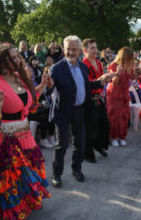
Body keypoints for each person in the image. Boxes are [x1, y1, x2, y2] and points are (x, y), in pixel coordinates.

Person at [0, 43, 52, 219]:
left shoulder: (19, 79)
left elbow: (28, 104)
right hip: (4, 139)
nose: (17, 60)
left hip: (24, 133)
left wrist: (43, 85)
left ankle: (26, 204)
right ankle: (13, 211)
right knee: (11, 178)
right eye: (12, 57)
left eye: (17, 56)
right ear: (1, 60)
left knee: (27, 172)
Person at [48, 35, 113, 188]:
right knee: (62, 145)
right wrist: (48, 86)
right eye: (68, 49)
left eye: (74, 49)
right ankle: (57, 174)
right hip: (62, 111)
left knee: (80, 143)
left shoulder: (82, 67)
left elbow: (86, 85)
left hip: (80, 110)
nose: (71, 52)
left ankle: (76, 169)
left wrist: (100, 81)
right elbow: (47, 90)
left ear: (79, 51)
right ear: (64, 50)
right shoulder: (56, 69)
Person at [81, 38, 109, 163]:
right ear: (85, 50)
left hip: (99, 98)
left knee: (103, 125)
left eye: (96, 47)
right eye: (92, 48)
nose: (95, 50)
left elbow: (101, 81)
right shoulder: (83, 65)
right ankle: (88, 153)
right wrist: (100, 82)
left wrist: (108, 78)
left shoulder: (98, 63)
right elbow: (87, 84)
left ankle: (98, 146)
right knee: (90, 128)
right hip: (89, 100)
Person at [106, 47, 140, 147]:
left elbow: (132, 78)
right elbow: (114, 81)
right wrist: (118, 73)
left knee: (124, 115)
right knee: (114, 115)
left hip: (124, 93)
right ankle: (113, 137)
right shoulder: (113, 65)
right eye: (130, 57)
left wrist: (138, 73)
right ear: (125, 57)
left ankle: (122, 137)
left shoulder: (129, 66)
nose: (132, 59)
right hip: (114, 93)